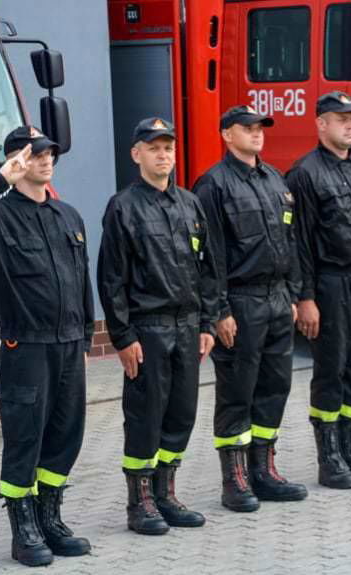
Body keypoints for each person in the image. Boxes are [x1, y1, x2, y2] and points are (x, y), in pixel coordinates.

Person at [0, 126, 92, 566]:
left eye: (50, 154)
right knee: (25, 438)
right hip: (26, 344)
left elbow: (81, 279)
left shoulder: (68, 216)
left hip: (68, 344)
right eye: (35, 155)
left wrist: (83, 335)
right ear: (16, 160)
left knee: (66, 436)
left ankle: (50, 519)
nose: (46, 161)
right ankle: (23, 528)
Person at [97, 117, 218, 535]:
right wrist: (123, 336)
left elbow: (207, 270)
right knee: (146, 415)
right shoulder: (123, 207)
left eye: (168, 147)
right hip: (148, 329)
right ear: (137, 155)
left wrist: (207, 322)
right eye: (154, 148)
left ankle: (166, 494)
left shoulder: (189, 204)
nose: (163, 154)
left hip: (187, 327)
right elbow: (111, 279)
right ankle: (140, 502)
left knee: (181, 413)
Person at [194, 105, 308, 512]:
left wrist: (293, 295)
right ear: (226, 134)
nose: (257, 133)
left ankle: (265, 469)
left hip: (277, 299)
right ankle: (235, 479)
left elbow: (291, 241)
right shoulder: (214, 185)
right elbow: (210, 257)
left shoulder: (275, 179)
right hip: (240, 301)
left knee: (275, 386)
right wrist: (219, 310)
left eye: (261, 127)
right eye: (247, 128)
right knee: (237, 392)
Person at [286, 91, 351, 489]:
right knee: (332, 369)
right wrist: (306, 297)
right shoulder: (305, 174)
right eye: (341, 119)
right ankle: (329, 457)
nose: (350, 125)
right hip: (331, 284)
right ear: (321, 124)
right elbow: (301, 242)